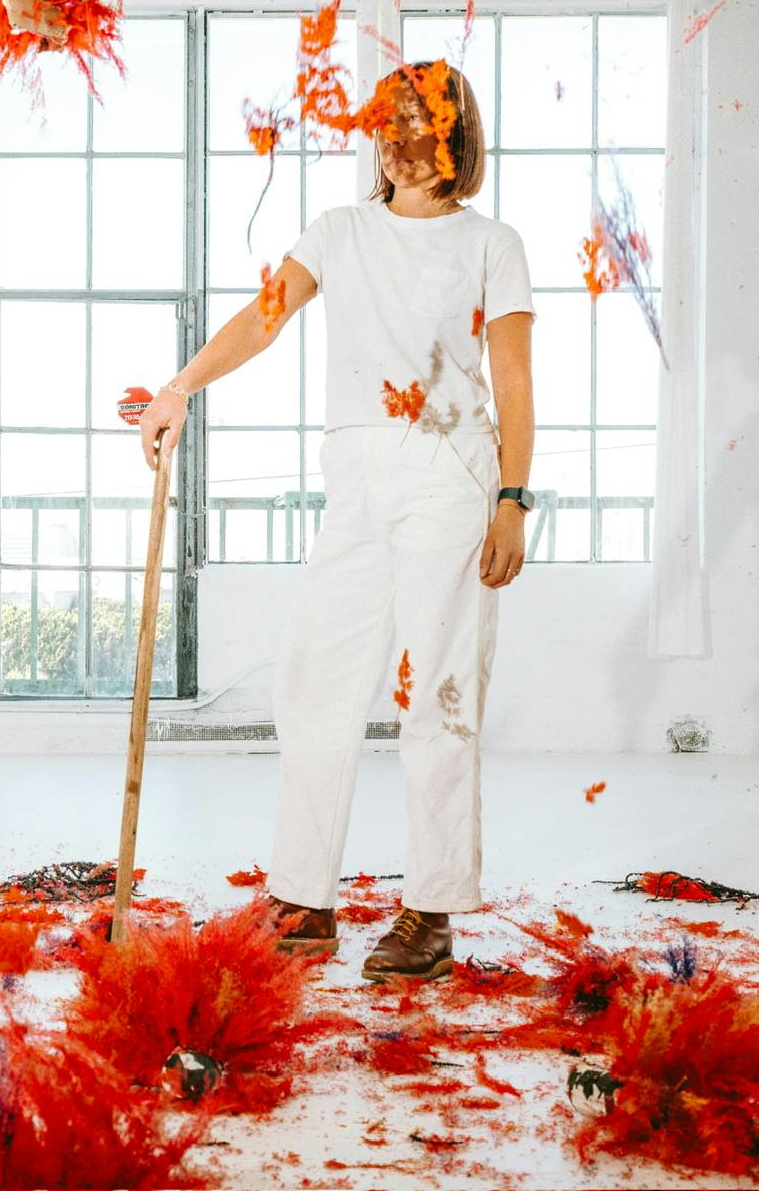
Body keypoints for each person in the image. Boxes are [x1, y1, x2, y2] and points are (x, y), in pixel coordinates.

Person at [136, 58, 536, 983]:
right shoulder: (339, 230)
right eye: (386, 121)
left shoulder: (492, 242)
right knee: (317, 677)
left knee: (435, 692)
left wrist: (513, 499)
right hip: (355, 473)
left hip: (449, 469)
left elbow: (511, 381)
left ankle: (430, 911)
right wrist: (178, 386)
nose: (397, 139)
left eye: (419, 122)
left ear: (455, 137)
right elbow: (263, 317)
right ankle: (303, 898)